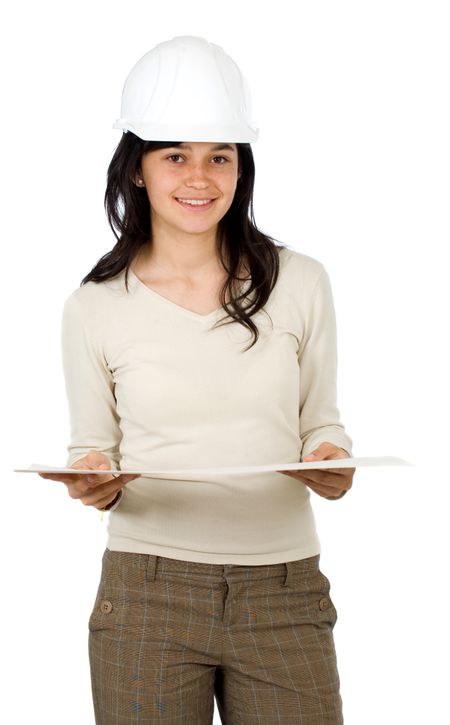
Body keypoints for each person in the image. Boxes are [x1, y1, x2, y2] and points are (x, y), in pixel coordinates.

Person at [39, 35, 355, 724]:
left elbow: (322, 424)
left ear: (242, 166)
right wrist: (93, 477)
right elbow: (95, 448)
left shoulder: (300, 282)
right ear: (136, 169)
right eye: (175, 154)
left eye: (220, 155)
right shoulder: (94, 305)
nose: (200, 177)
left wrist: (332, 460)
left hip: (285, 591)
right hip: (147, 592)